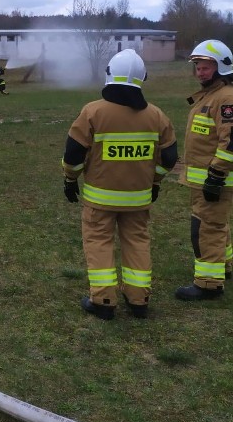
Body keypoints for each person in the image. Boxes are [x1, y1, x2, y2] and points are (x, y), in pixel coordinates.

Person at [62, 49, 177, 320]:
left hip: (99, 201)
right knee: (137, 242)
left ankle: (103, 300)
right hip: (138, 200)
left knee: (99, 243)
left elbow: (73, 156)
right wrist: (155, 180)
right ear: (142, 78)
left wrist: (70, 179)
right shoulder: (157, 116)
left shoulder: (92, 112)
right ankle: (139, 299)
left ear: (109, 74)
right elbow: (170, 157)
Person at [175, 40, 233, 301]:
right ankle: (223, 266)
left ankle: (208, 283)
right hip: (206, 179)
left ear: (220, 67)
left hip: (215, 179)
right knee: (217, 224)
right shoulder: (212, 95)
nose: (200, 72)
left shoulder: (227, 99)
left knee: (207, 228)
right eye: (198, 66)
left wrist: (216, 176)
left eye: (206, 67)